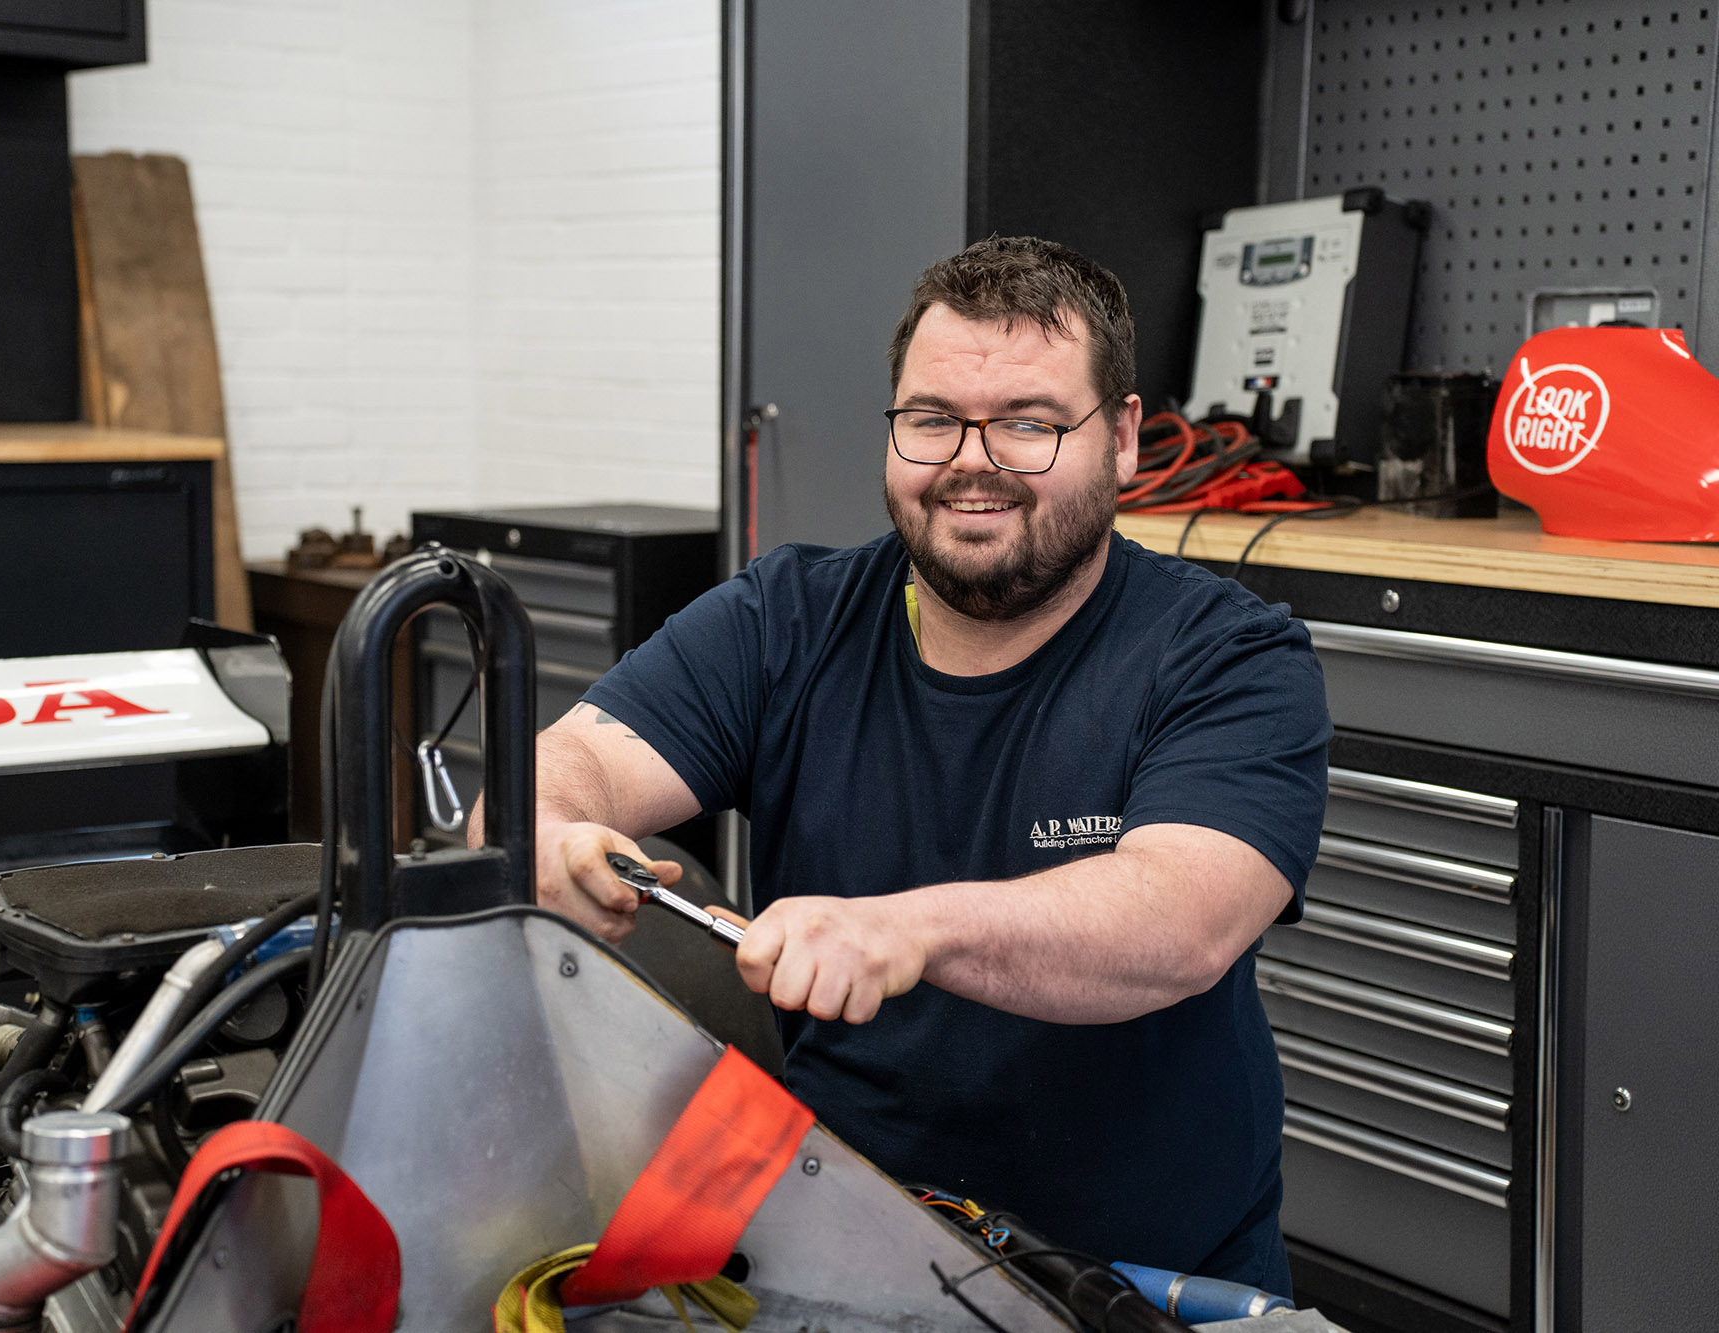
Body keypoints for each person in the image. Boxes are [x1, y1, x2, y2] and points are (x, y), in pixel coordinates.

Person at [483, 236, 1329, 1294]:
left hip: (1141, 1282)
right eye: (932, 419)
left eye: (1026, 421)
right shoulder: (782, 620)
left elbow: (1183, 918)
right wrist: (550, 831)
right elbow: (561, 769)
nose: (971, 460)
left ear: (1118, 440)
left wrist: (904, 928)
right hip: (846, 1255)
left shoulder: (1227, 655)